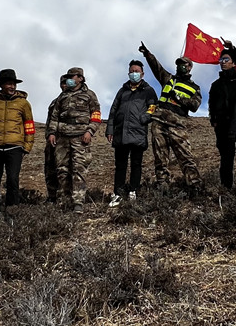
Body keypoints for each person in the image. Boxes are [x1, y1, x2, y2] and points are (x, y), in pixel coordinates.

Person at [138, 42, 203, 196]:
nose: (180, 66)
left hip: (177, 125)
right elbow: (157, 67)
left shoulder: (195, 87)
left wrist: (179, 98)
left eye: (183, 64)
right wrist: (148, 54)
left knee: (185, 157)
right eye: (178, 64)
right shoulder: (168, 79)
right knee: (160, 159)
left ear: (189, 67)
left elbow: (195, 105)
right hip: (159, 122)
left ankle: (195, 187)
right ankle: (163, 187)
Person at [0, 69, 35, 214]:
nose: (12, 86)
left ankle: (12, 214)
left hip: (15, 148)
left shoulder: (23, 104)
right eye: (9, 84)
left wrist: (26, 147)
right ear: (1, 85)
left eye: (14, 84)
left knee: (13, 181)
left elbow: (29, 126)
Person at [46, 67, 102, 213]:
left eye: (72, 77)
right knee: (62, 170)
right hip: (62, 138)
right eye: (68, 77)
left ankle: (78, 202)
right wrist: (52, 133)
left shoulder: (89, 95)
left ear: (80, 78)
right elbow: (54, 117)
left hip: (80, 137)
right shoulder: (62, 96)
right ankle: (63, 201)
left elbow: (96, 115)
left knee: (79, 169)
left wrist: (90, 131)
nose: (69, 79)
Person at [105, 60, 158, 206]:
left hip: (138, 133)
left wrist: (144, 118)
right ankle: (118, 194)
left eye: (137, 71)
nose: (134, 73)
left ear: (142, 74)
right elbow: (113, 110)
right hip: (121, 133)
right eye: (132, 71)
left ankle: (133, 191)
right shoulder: (122, 91)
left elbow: (153, 107)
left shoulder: (148, 90)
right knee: (120, 165)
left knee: (136, 164)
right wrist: (110, 129)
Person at [208, 41, 236, 189]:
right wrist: (214, 120)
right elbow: (211, 104)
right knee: (226, 160)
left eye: (226, 59)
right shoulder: (216, 84)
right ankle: (226, 191)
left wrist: (232, 48)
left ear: (233, 63)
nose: (223, 62)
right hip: (223, 127)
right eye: (221, 60)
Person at [44, 74, 68, 203]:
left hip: (67, 141)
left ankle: (65, 197)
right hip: (52, 140)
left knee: (65, 170)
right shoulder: (55, 102)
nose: (64, 85)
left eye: (66, 83)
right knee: (50, 169)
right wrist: (49, 136)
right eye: (62, 83)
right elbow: (49, 122)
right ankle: (52, 196)